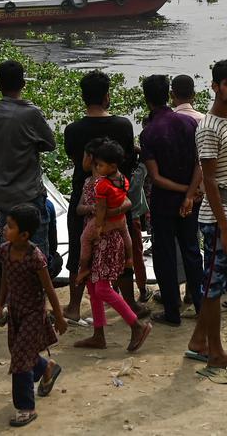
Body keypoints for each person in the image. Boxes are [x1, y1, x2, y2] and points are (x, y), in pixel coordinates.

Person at [186, 59, 227, 375]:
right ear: (214, 86)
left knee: (219, 283)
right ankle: (216, 353)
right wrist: (225, 228)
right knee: (213, 288)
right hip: (217, 219)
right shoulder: (208, 127)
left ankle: (199, 340)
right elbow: (209, 181)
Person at [62, 70, 136, 323]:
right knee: (117, 245)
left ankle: (73, 305)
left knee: (79, 248)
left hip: (83, 197)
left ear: (84, 98)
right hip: (115, 198)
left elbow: (76, 162)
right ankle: (126, 301)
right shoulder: (123, 126)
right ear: (106, 97)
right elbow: (128, 160)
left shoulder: (73, 130)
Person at [73, 140, 151, 352]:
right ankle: (99, 334)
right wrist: (94, 209)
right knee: (93, 287)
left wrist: (104, 214)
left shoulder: (108, 184)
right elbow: (80, 208)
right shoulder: (92, 183)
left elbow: (125, 204)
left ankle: (136, 325)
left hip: (106, 241)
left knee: (103, 288)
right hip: (97, 239)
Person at [138, 74, 204, 327]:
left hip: (165, 203)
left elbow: (155, 177)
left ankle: (172, 311)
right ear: (168, 94)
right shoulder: (188, 123)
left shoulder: (149, 133)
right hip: (190, 202)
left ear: (147, 99)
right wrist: (189, 193)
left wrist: (182, 191)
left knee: (165, 256)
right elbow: (200, 162)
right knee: (191, 251)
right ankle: (199, 305)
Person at [0, 204, 67, 428]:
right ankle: (46, 367)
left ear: (25, 235)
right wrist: (0, 305)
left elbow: (49, 288)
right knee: (20, 353)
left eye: (11, 226)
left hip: (34, 313)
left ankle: (25, 408)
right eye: (6, 225)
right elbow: (5, 279)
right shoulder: (5, 251)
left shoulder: (35, 257)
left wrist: (60, 317)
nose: (5, 229)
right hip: (15, 311)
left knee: (19, 360)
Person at [0, 61, 56, 261]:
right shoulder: (30, 112)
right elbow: (50, 144)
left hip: (3, 194)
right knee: (37, 255)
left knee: (9, 251)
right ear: (23, 84)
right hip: (29, 195)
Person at [75, 140, 133, 283]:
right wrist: (117, 210)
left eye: (101, 165)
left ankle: (83, 268)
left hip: (105, 224)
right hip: (120, 220)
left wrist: (99, 225)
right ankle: (130, 258)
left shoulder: (101, 185)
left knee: (85, 239)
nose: (99, 167)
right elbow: (126, 200)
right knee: (126, 234)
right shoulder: (123, 179)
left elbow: (101, 208)